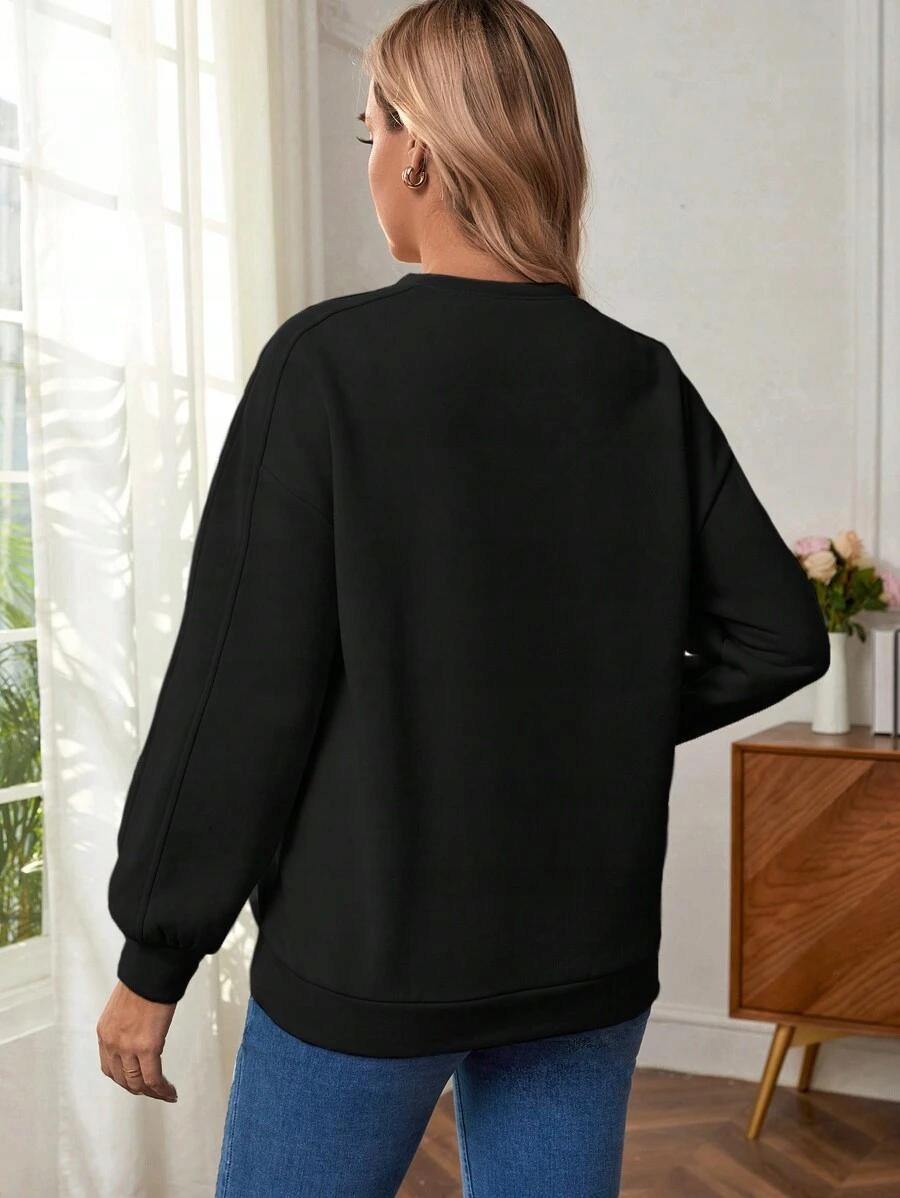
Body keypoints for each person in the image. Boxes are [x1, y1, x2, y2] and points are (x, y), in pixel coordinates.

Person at [97, 1, 831, 1194]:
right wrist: (600, 716)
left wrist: (154, 953)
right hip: (582, 956)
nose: (371, 162)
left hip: (369, 952)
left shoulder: (327, 366)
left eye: (370, 131)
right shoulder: (641, 380)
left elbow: (238, 687)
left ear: (420, 153)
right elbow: (779, 632)